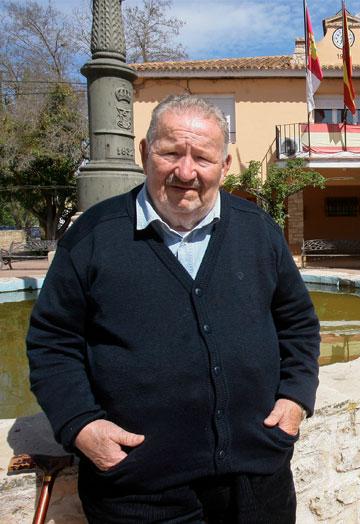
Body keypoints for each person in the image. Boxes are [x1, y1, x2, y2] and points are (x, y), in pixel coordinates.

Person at [27, 95, 320, 523]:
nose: (186, 172)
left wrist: (295, 398)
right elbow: (52, 343)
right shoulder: (93, 236)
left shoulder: (258, 231)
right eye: (170, 153)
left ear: (225, 164)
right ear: (146, 153)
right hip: (139, 493)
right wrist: (81, 424)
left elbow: (298, 324)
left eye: (202, 156)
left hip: (258, 481)